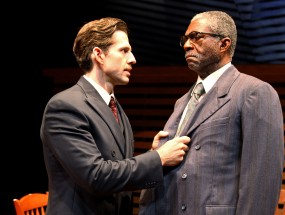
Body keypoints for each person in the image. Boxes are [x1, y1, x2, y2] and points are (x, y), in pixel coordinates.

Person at [40, 17, 190, 215]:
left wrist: (151, 155)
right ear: (99, 55)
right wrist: (158, 158)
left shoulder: (115, 108)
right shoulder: (65, 106)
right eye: (124, 50)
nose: (133, 59)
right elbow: (96, 177)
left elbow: (116, 169)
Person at [139, 11, 285, 215]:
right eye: (185, 39)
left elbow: (262, 180)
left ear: (223, 44)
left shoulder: (253, 92)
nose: (187, 45)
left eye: (196, 37)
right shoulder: (182, 102)